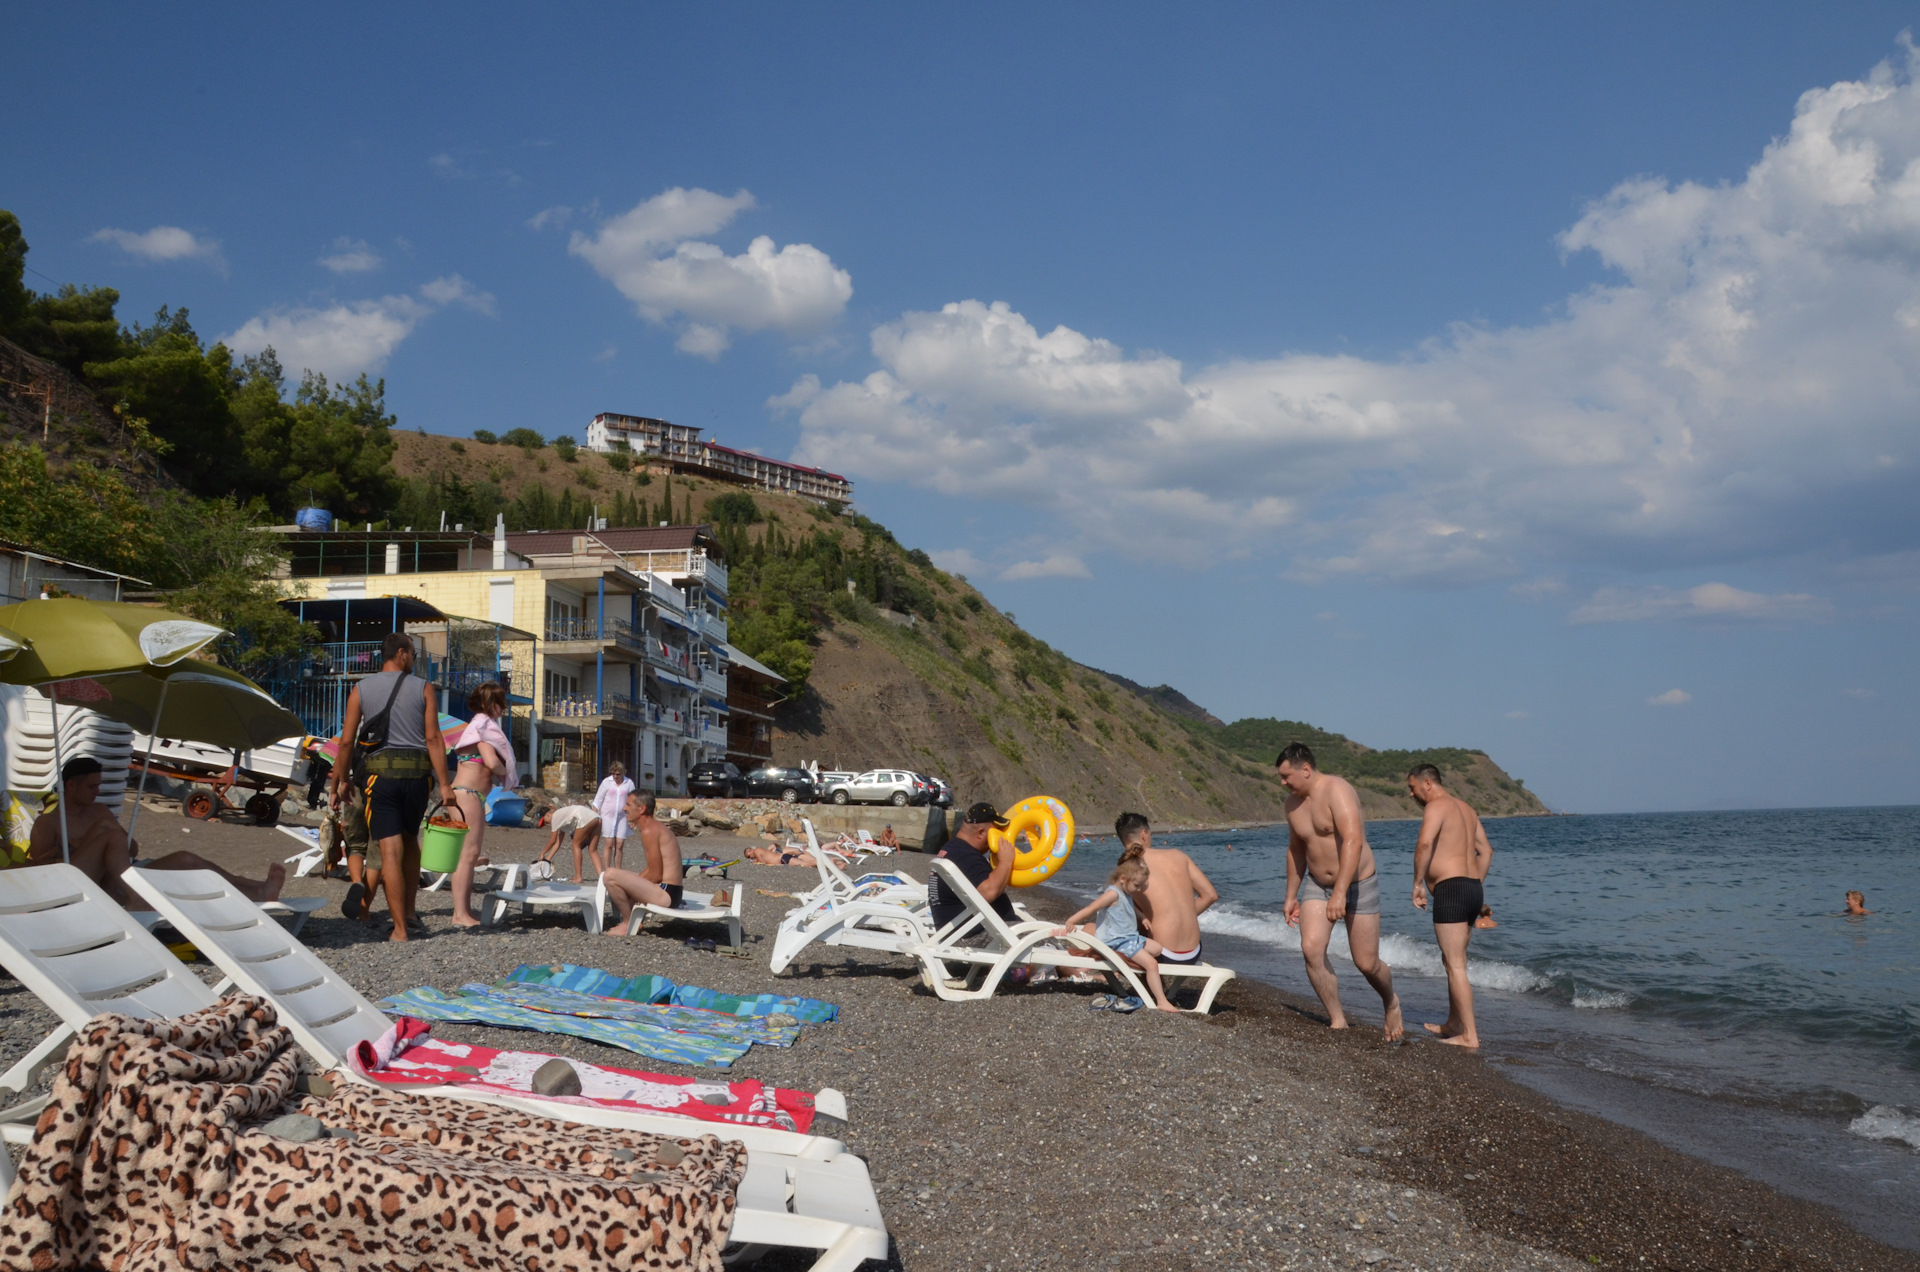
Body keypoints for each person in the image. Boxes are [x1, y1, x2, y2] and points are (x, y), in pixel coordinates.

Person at [329, 632, 453, 942]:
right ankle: (410, 914)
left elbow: (346, 741)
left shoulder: (360, 689)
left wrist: (339, 782)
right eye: (412, 653)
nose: (413, 659)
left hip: (380, 778)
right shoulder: (424, 688)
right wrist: (446, 786)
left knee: (390, 850)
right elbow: (434, 739)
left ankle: (399, 929)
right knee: (411, 843)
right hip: (418, 777)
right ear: (400, 653)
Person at [28, 757, 285, 906]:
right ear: (71, 786)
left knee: (187, 859)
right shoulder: (49, 823)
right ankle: (134, 897)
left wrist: (115, 842)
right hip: (83, 881)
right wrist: (86, 846)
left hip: (121, 874)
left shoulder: (100, 812)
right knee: (106, 831)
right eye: (91, 787)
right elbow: (44, 872)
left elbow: (131, 849)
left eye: (98, 786)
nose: (97, 792)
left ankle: (258, 889)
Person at [1277, 742, 1403, 1041]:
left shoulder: (1337, 790)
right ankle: (1338, 1019)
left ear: (1305, 769)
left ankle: (1391, 1001)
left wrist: (1340, 893)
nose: (1282, 783)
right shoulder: (1292, 805)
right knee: (1311, 949)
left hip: (1358, 882)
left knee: (1366, 963)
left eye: (1286, 776)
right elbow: (1296, 850)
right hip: (1318, 884)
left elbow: (1353, 841)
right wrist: (1290, 895)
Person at [1408, 763, 1494, 1049]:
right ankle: (1454, 1023)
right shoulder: (1466, 809)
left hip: (1452, 891)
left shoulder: (1436, 806)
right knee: (1452, 961)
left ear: (1428, 783)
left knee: (1455, 965)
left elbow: (1425, 843)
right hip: (1472, 890)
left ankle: (1469, 1035)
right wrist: (1474, 884)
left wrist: (1418, 883)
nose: (1412, 794)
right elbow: (1486, 850)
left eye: (1413, 788)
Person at [1053, 852, 1179, 1011]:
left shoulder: (1126, 891)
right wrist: (1072, 920)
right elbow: (1091, 908)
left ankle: (1133, 964)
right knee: (1152, 964)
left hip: (1129, 937)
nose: (1139, 890)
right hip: (1117, 941)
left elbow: (1130, 907)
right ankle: (1161, 1001)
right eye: (1137, 885)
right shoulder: (1112, 894)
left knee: (1157, 948)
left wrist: (1143, 918)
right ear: (1122, 879)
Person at [1113, 812, 1218, 972]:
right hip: (1193, 952)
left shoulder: (1127, 867)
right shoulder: (1178, 855)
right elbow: (1210, 895)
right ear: (1143, 834)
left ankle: (1148, 986)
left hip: (1162, 953)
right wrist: (1182, 917)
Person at [447, 682, 514, 929]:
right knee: (468, 855)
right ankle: (460, 914)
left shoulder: (475, 727)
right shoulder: (484, 729)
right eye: (500, 703)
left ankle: (462, 911)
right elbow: (491, 762)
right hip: (468, 794)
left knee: (468, 854)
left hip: (465, 794)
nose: (502, 708)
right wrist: (507, 770)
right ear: (491, 704)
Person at [602, 789, 687, 936]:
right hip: (672, 892)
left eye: (628, 805)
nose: (624, 808)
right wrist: (633, 885)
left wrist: (630, 894)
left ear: (642, 809)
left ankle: (628, 923)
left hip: (666, 893)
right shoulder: (655, 827)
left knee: (610, 875)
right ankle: (631, 919)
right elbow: (653, 870)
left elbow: (656, 874)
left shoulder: (650, 831)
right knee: (621, 877)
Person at [926, 802, 1016, 932]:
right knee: (1050, 944)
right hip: (979, 935)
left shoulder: (954, 850)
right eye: (996, 832)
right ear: (980, 833)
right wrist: (1006, 862)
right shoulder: (964, 856)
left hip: (961, 932)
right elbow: (988, 892)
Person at [536, 802, 602, 880]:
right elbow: (557, 843)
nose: (547, 824)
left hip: (585, 818)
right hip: (596, 817)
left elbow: (552, 840)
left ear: (547, 815)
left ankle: (578, 877)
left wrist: (542, 853)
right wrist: (547, 860)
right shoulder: (561, 818)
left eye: (545, 822)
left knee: (576, 845)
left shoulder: (555, 817)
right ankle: (602, 877)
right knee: (592, 850)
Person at [592, 761, 635, 872]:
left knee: (620, 844)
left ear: (622, 773)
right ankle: (607, 870)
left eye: (618, 774)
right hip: (607, 816)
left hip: (622, 817)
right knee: (609, 843)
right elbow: (598, 799)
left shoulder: (629, 783)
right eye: (614, 774)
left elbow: (633, 801)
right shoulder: (607, 782)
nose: (615, 776)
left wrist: (634, 818)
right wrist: (594, 814)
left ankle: (617, 871)